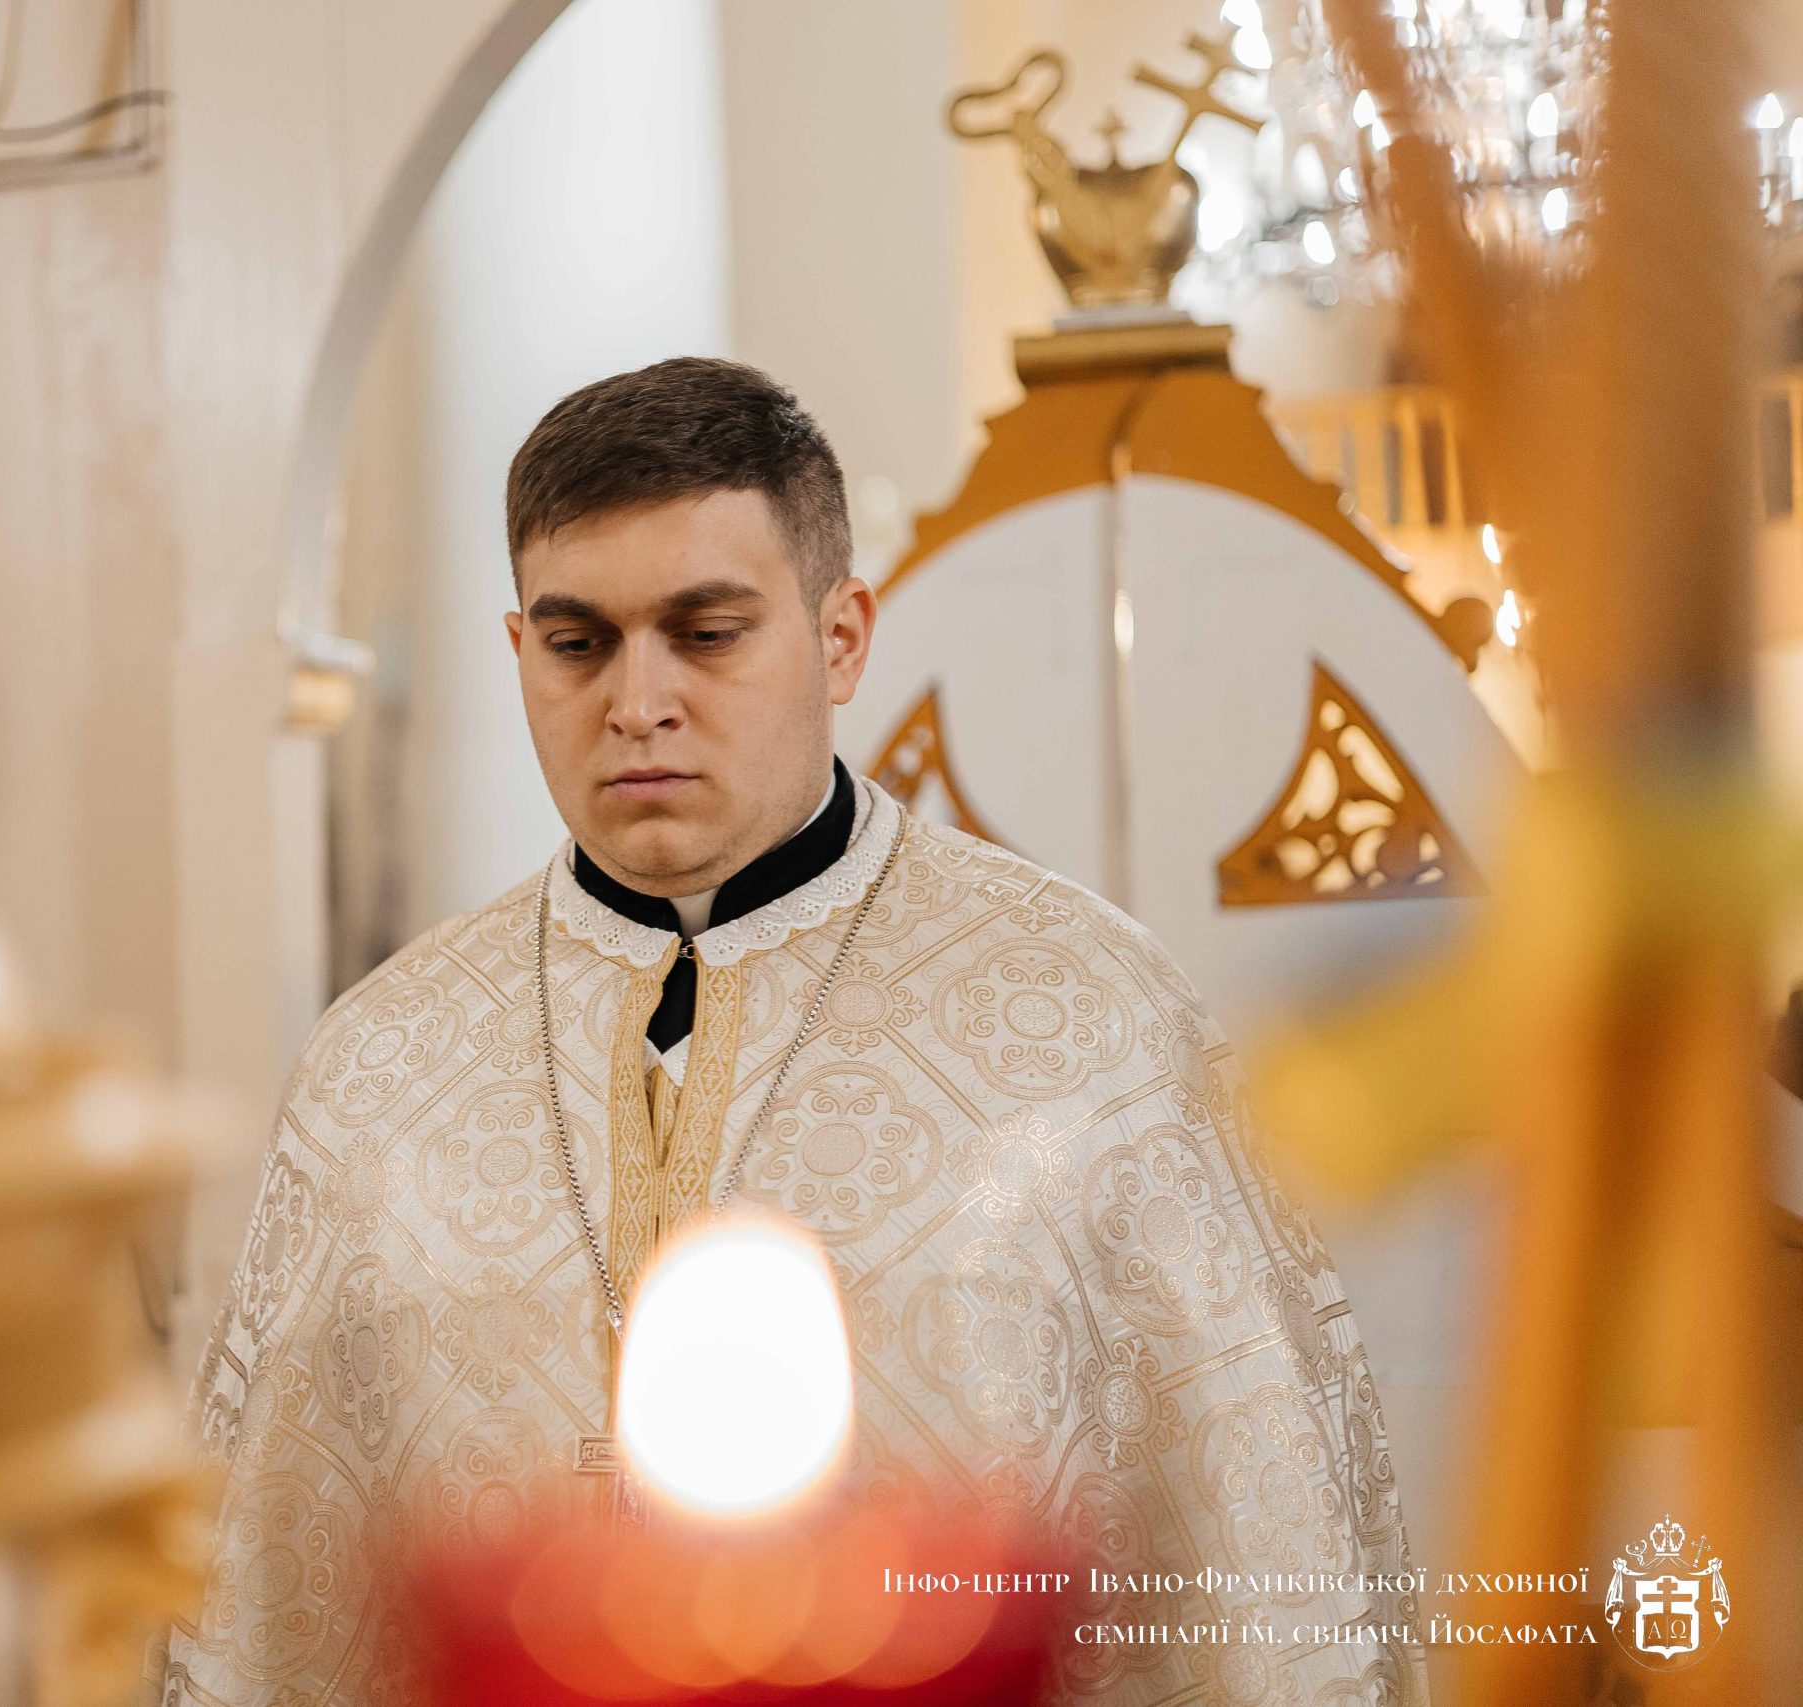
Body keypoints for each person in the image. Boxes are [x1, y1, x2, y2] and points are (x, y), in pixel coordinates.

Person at [153, 358, 1424, 1705]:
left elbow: (1266, 1576)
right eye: (578, 645)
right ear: (520, 650)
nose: (637, 702)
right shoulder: (378, 1073)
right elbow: (268, 1613)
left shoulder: (1091, 1026)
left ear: (842, 636)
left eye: (707, 633)